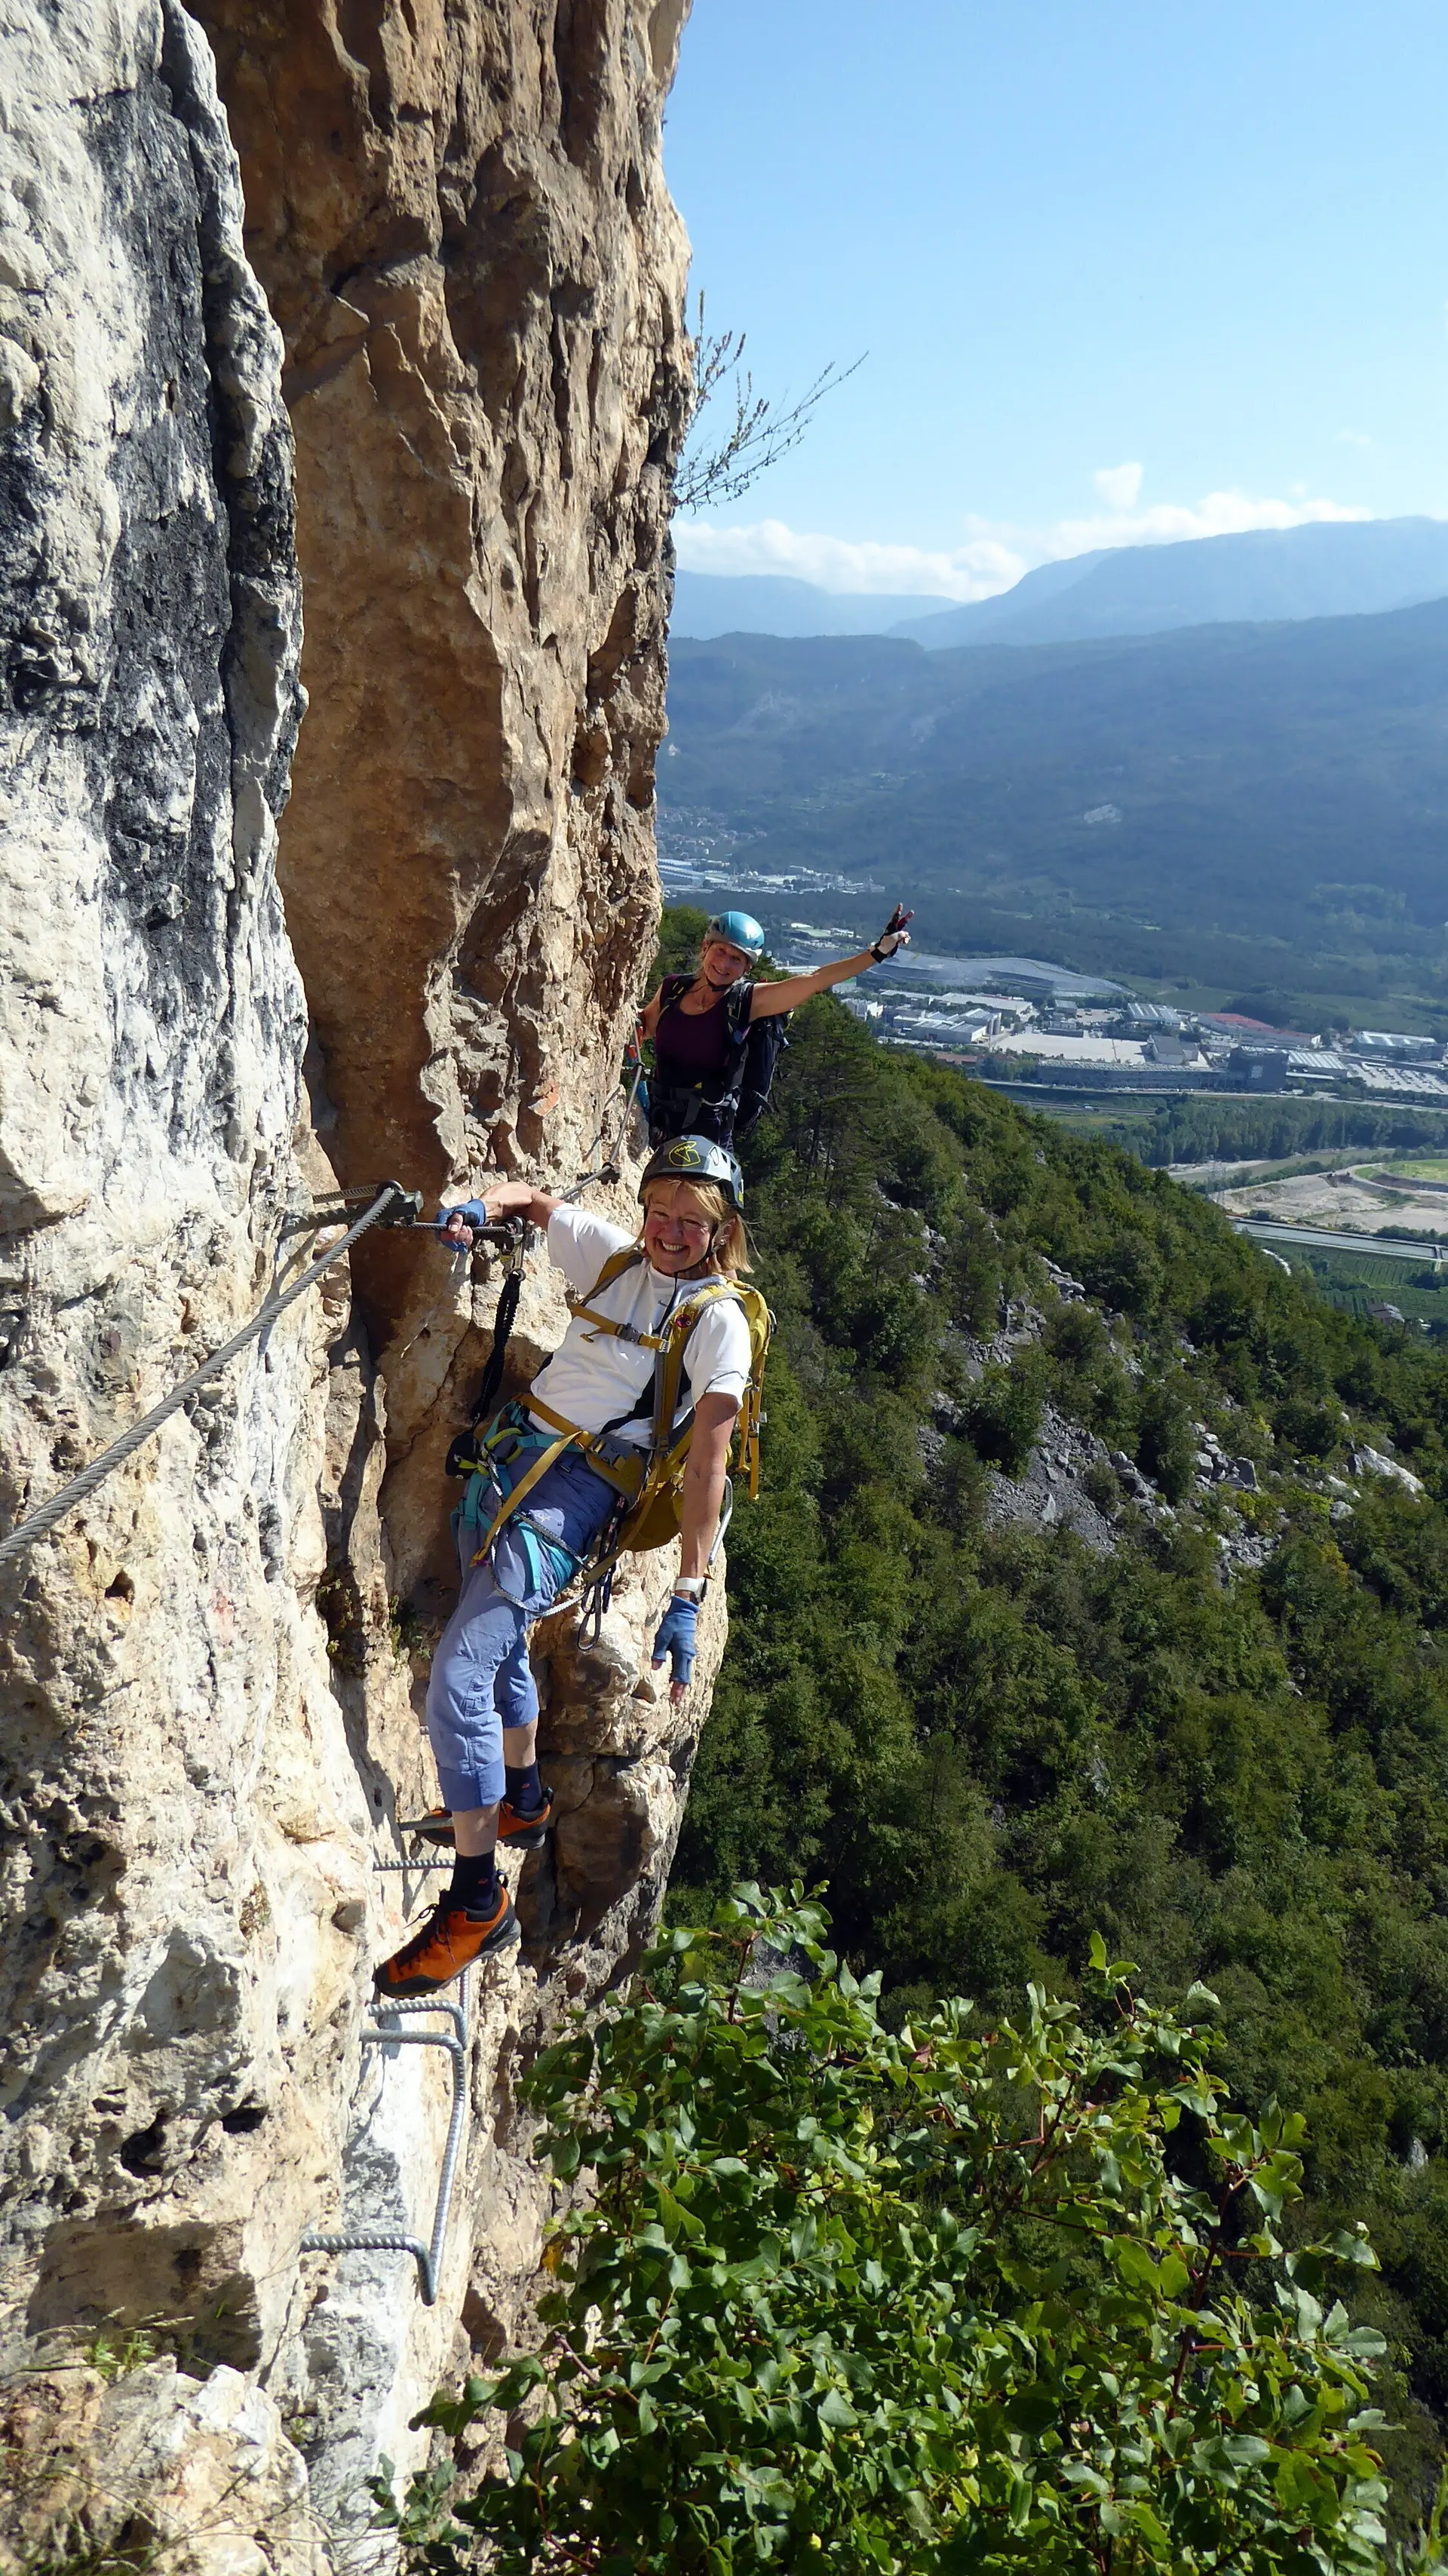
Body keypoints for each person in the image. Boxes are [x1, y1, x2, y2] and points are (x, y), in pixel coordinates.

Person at [374, 1136, 755, 2000]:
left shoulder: (717, 1319)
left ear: (722, 1229)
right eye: (659, 1211)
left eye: (690, 1222)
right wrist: (480, 1206)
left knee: (459, 1674)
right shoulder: (618, 1258)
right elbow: (536, 1201)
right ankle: (522, 1797)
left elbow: (708, 1464)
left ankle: (476, 1899)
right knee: (499, 1648)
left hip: (573, 1493)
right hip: (520, 1458)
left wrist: (688, 1590)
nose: (667, 1232)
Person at [639, 905, 913, 1148]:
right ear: (705, 948)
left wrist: (877, 953)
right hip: (655, 1120)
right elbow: (641, 1028)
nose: (724, 964)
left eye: (736, 959)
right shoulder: (672, 989)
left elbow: (815, 980)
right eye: (720, 951)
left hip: (707, 1135)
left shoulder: (748, 1002)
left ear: (746, 968)